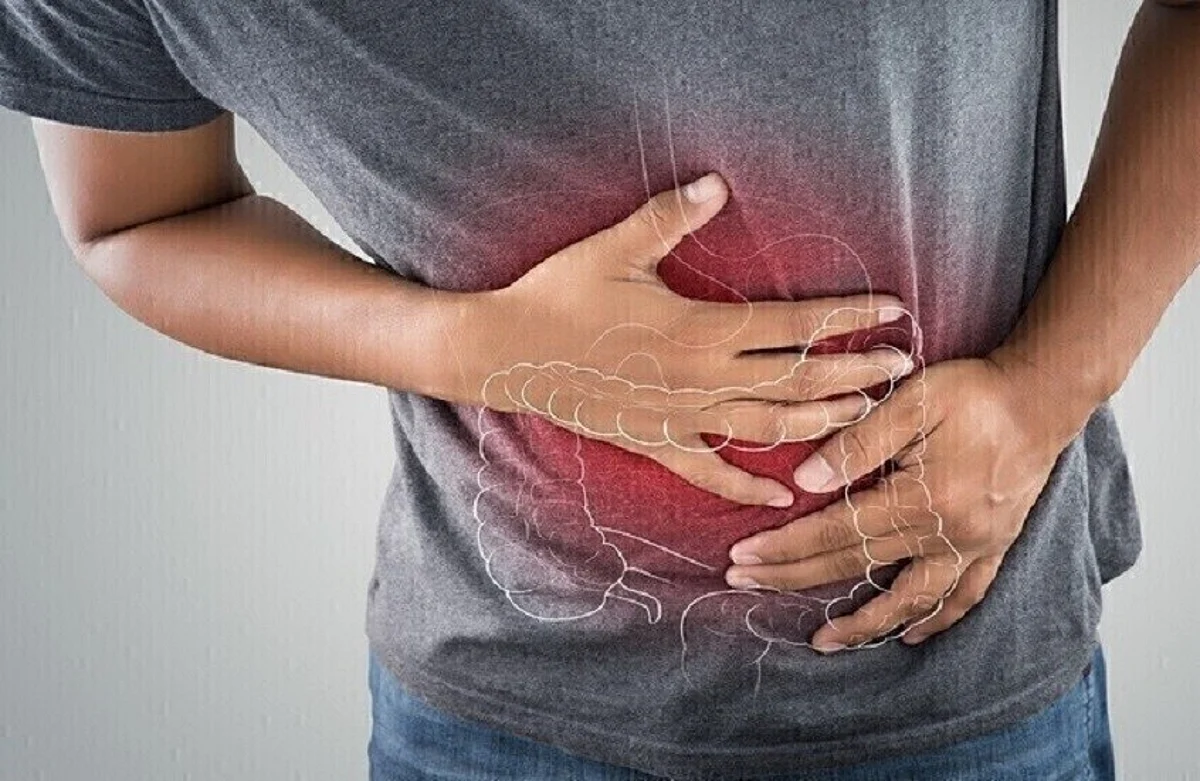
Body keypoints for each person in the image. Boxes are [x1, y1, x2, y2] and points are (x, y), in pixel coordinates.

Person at [2, 1, 1197, 778]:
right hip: (496, 717)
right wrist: (473, 347)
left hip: (958, 695)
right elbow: (135, 218)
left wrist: (1048, 390)